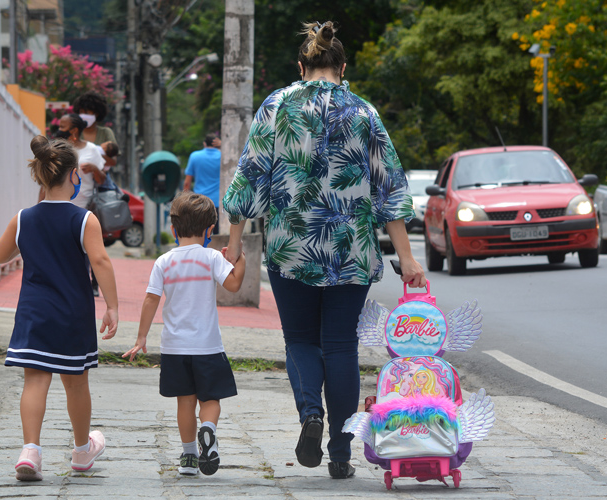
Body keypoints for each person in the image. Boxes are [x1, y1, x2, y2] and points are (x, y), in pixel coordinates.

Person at [221, 21, 426, 480]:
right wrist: (407, 258)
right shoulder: (364, 112)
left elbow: (250, 176)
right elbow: (388, 187)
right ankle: (340, 453)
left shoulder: (276, 106)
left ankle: (310, 413)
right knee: (340, 346)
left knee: (299, 340)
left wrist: (234, 247)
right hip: (349, 248)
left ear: (302, 66)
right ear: (342, 66)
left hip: (291, 247)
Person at [0, 135, 119, 481]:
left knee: (34, 381)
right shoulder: (83, 220)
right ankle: (81, 451)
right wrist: (113, 306)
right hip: (72, 315)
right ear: (74, 175)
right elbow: (101, 262)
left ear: (41, 176)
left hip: (34, 313)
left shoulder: (23, 219)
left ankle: (30, 451)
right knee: (76, 382)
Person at [123, 191, 246, 477]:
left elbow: (151, 299)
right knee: (211, 400)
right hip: (208, 347)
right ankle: (209, 429)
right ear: (209, 230)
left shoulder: (164, 261)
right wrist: (239, 260)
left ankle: (189, 456)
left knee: (185, 402)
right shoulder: (212, 257)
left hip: (174, 348)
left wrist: (141, 338)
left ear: (173, 229)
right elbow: (234, 285)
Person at [53, 113, 106, 296]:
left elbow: (103, 179)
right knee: (67, 248)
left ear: (74, 130)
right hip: (60, 206)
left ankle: (93, 283)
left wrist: (94, 169)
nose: (59, 129)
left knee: (88, 248)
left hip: (85, 207)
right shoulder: (58, 148)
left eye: (63, 126)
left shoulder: (92, 149)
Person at [183, 133, 222, 234]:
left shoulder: (194, 156)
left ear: (204, 144)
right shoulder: (223, 156)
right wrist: (222, 146)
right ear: (216, 144)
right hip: (218, 202)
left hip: (200, 202)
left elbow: (187, 183)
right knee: (217, 233)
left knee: (201, 233)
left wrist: (185, 200)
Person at [73, 91, 118, 167]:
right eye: (81, 112)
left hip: (101, 176)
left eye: (87, 113)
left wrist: (93, 153)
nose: (83, 115)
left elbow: (113, 162)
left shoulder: (106, 132)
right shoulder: (74, 132)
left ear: (97, 114)